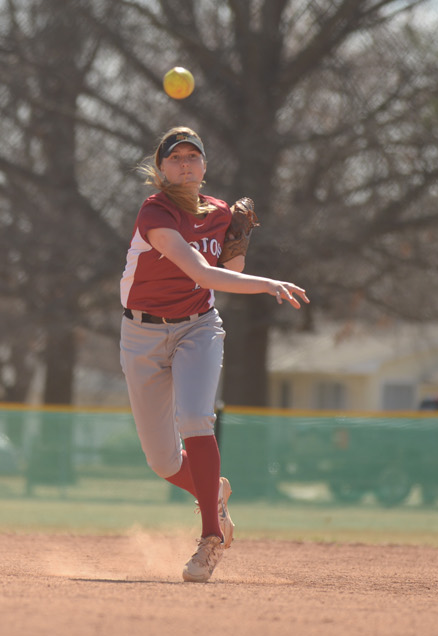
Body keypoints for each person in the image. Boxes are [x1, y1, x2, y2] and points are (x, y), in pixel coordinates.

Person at [119, 127, 308, 582]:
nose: (185, 164)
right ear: (161, 169)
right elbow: (202, 272)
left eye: (193, 157)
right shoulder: (156, 211)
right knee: (163, 461)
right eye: (175, 158)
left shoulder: (220, 212)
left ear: (204, 166)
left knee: (196, 419)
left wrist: (239, 242)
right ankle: (214, 496)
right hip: (141, 334)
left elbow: (228, 271)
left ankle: (209, 540)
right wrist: (268, 283)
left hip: (197, 328)